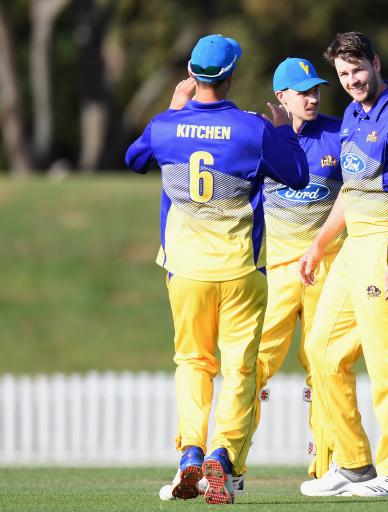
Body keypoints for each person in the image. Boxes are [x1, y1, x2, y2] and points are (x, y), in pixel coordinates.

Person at [125, 34, 308, 505]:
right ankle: (223, 457)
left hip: (184, 270)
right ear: (231, 76)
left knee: (192, 363)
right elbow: (298, 175)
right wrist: (284, 129)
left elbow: (134, 159)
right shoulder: (252, 129)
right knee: (239, 369)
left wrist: (173, 106)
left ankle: (190, 452)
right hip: (241, 269)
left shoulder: (167, 125)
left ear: (192, 70)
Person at [298, 31, 388, 498]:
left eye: (358, 69)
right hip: (354, 247)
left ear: (376, 63)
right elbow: (350, 193)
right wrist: (318, 244)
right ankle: (353, 465)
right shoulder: (352, 114)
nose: (352, 80)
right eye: (343, 74)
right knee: (322, 351)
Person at [254, 57, 345, 479]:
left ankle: (325, 466)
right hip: (278, 272)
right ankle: (229, 461)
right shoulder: (264, 137)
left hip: (328, 269)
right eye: (302, 91)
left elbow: (354, 197)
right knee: (254, 363)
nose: (312, 97)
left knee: (325, 364)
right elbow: (247, 199)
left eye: (315, 90)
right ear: (281, 97)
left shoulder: (338, 132)